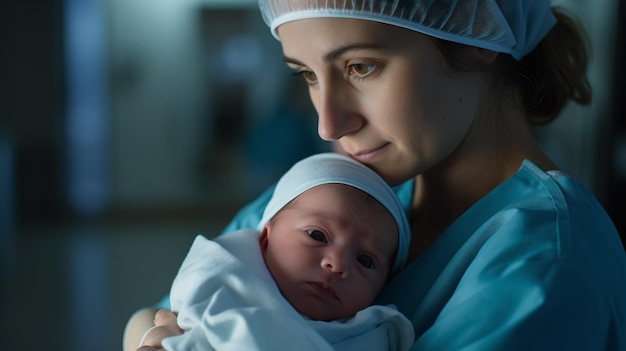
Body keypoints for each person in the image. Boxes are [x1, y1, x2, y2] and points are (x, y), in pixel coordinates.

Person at [127, 1, 626, 350]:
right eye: (307, 74)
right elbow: (157, 313)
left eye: (360, 67)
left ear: (475, 27)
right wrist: (152, 335)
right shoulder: (341, 192)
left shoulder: (549, 265)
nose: (328, 122)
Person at [132, 153, 414, 351]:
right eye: (317, 235)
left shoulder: (371, 333)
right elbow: (150, 322)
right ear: (266, 237)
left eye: (366, 260)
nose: (337, 263)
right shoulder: (225, 283)